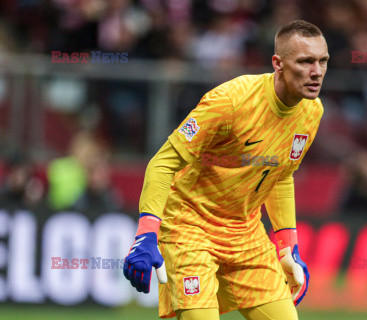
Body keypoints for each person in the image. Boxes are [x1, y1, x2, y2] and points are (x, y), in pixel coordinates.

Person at [123, 20, 329, 320]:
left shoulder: (312, 112)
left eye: (323, 61)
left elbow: (281, 175)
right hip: (189, 226)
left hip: (245, 233)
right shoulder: (230, 102)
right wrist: (146, 234)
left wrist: (288, 247)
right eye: (306, 61)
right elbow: (162, 163)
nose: (317, 72)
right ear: (278, 64)